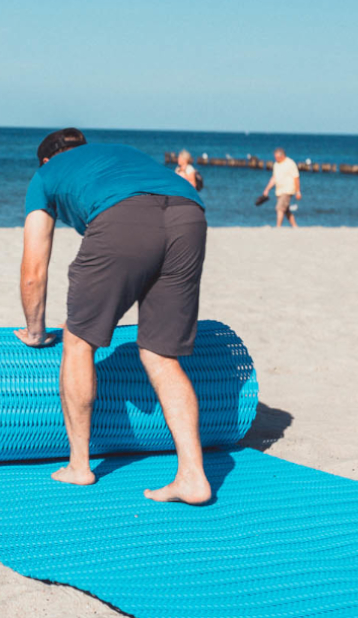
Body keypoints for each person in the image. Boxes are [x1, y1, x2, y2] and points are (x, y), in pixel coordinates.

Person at [14, 128, 211, 505]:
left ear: (45, 159)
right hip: (190, 214)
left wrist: (35, 332)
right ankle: (192, 476)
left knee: (78, 340)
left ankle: (79, 466)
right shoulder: (119, 151)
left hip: (124, 218)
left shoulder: (44, 175)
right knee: (159, 354)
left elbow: (33, 271)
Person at [262, 147, 301, 227]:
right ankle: (295, 226)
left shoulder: (290, 163)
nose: (275, 159)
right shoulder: (276, 164)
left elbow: (296, 177)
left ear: (282, 156)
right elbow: (274, 178)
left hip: (288, 190)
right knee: (286, 210)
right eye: (275, 157)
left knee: (279, 208)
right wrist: (267, 189)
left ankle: (278, 227)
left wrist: (298, 191)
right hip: (279, 191)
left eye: (277, 157)